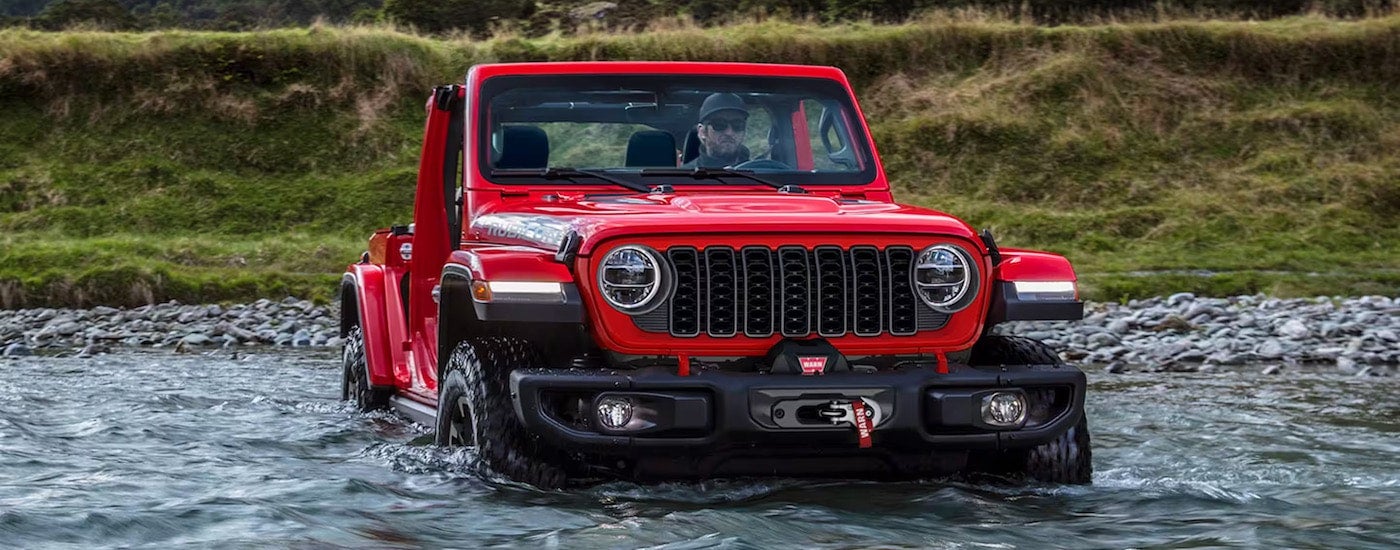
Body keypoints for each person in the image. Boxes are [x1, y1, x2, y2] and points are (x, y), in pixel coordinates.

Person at [684, 92, 750, 168]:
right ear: (702, 132)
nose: (729, 132)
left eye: (737, 125)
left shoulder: (760, 172)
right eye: (719, 125)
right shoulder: (683, 177)